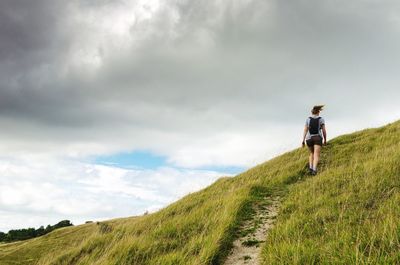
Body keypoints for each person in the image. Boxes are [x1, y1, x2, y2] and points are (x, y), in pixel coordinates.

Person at [302, 105, 327, 175]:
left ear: (312, 112)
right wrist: (325, 139)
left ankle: (310, 167)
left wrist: (303, 140)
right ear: (318, 112)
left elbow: (305, 130)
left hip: (308, 138)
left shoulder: (308, 119)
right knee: (316, 155)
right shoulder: (321, 119)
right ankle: (314, 170)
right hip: (317, 138)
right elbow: (324, 131)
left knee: (311, 153)